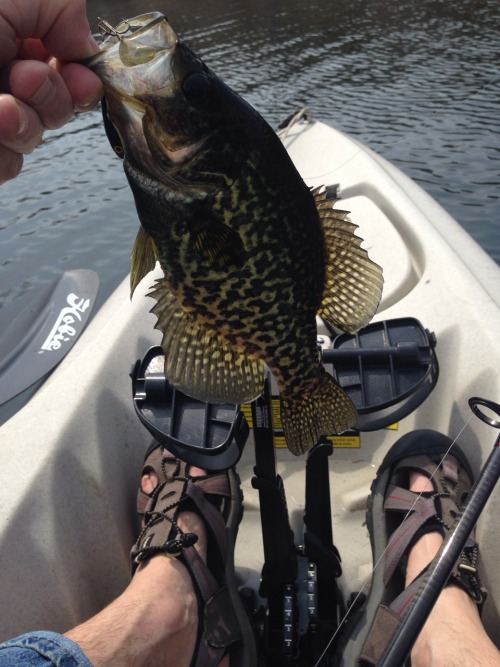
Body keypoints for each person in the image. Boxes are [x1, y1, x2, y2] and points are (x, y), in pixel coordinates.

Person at [0, 2, 499, 666]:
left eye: (197, 90)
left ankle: (169, 593)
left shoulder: (186, 168)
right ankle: (439, 607)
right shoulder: (188, 164)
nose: (185, 83)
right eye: (197, 88)